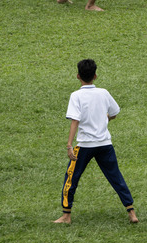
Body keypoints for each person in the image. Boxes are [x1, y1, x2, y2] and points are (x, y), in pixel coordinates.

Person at [53, 59, 138, 224]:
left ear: (78, 76)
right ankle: (131, 212)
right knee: (116, 177)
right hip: (105, 144)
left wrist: (69, 145)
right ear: (95, 76)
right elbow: (114, 112)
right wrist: (104, 120)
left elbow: (74, 121)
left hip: (84, 145)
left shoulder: (76, 96)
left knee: (71, 179)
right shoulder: (103, 93)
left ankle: (66, 215)